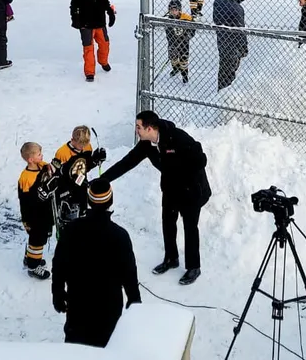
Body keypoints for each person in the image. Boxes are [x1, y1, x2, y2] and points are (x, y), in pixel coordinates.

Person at [100, 110, 211, 286]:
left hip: (191, 190)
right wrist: (102, 180)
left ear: (150, 128)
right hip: (171, 188)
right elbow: (127, 162)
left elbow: (200, 160)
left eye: (139, 127)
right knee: (168, 222)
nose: (136, 130)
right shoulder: (147, 144)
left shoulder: (177, 138)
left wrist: (180, 170)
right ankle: (171, 258)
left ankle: (194, 267)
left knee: (190, 227)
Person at [52, 179, 141, 347]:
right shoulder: (120, 236)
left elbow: (59, 264)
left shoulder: (71, 230)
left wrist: (57, 292)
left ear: (89, 201)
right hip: (109, 308)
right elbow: (129, 274)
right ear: (111, 201)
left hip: (77, 305)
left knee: (75, 351)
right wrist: (134, 301)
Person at [51, 126, 108, 231]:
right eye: (79, 145)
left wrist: (96, 159)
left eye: (84, 145)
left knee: (82, 214)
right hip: (66, 191)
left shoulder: (87, 147)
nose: (82, 148)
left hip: (81, 188)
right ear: (72, 140)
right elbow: (56, 174)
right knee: (68, 218)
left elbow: (86, 166)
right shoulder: (62, 153)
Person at [70, 0, 115, 82]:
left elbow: (105, 0)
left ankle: (103, 61)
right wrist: (76, 20)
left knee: (104, 44)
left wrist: (110, 12)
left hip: (100, 23)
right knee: (88, 48)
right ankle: (90, 72)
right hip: (86, 25)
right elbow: (73, 5)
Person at [18, 141, 58, 278]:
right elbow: (25, 201)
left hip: (45, 212)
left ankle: (30, 257)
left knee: (40, 238)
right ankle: (33, 267)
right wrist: (26, 220)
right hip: (34, 217)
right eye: (39, 154)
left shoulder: (40, 166)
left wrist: (52, 168)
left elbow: (48, 167)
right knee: (37, 240)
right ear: (31, 159)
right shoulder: (26, 178)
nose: (42, 156)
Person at [212, 0, 248, 90]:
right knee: (231, 69)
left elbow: (216, 20)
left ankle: (221, 88)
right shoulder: (238, 9)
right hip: (233, 43)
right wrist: (244, 48)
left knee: (223, 66)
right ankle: (226, 91)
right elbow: (240, 30)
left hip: (222, 40)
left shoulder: (218, 2)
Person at [164, 0, 193, 82]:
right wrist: (172, 42)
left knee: (184, 59)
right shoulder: (168, 20)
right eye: (171, 10)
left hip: (184, 43)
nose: (173, 12)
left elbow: (193, 28)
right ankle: (176, 69)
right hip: (173, 43)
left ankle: (184, 75)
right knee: (173, 58)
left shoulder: (186, 18)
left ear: (179, 10)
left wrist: (189, 35)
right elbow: (168, 33)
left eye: (175, 10)